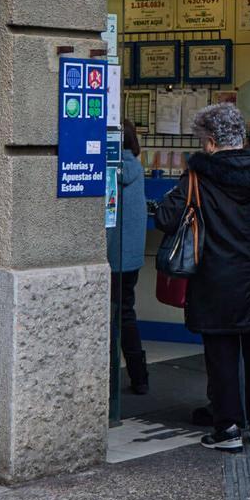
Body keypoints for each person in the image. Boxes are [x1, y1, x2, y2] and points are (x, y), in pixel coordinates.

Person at [156, 103, 250, 452]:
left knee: (222, 354)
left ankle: (226, 426)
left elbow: (167, 217)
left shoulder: (197, 177)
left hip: (216, 278)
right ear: (240, 137)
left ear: (210, 142)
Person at [107, 119, 148, 395]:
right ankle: (139, 376)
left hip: (108, 257)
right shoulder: (138, 169)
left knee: (107, 317)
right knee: (125, 314)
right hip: (130, 259)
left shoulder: (106, 170)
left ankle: (106, 380)